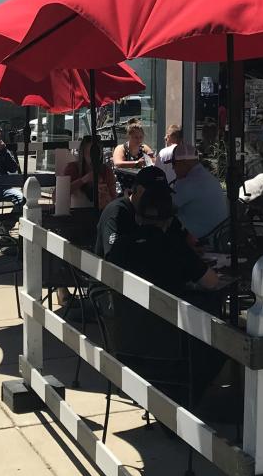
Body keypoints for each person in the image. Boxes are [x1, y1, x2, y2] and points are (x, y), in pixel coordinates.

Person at [107, 183, 226, 399]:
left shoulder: (119, 247)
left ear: (137, 217)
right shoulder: (175, 247)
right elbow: (211, 282)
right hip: (171, 348)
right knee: (224, 339)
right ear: (169, 220)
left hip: (126, 342)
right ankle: (186, 399)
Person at [95, 164, 171, 256]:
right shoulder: (117, 212)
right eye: (154, 195)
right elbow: (112, 257)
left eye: (162, 195)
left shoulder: (155, 213)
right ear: (139, 190)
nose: (158, 200)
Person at [171, 143, 229, 239]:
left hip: (202, 243)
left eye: (174, 163)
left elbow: (165, 209)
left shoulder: (188, 182)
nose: (173, 168)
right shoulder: (208, 177)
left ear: (183, 162)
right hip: (218, 239)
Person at [66, 135, 118, 210]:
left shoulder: (106, 171)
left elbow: (114, 201)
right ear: (83, 154)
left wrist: (106, 195)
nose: (93, 157)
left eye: (97, 153)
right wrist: (83, 180)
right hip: (75, 215)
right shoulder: (73, 168)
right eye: (89, 153)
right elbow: (58, 196)